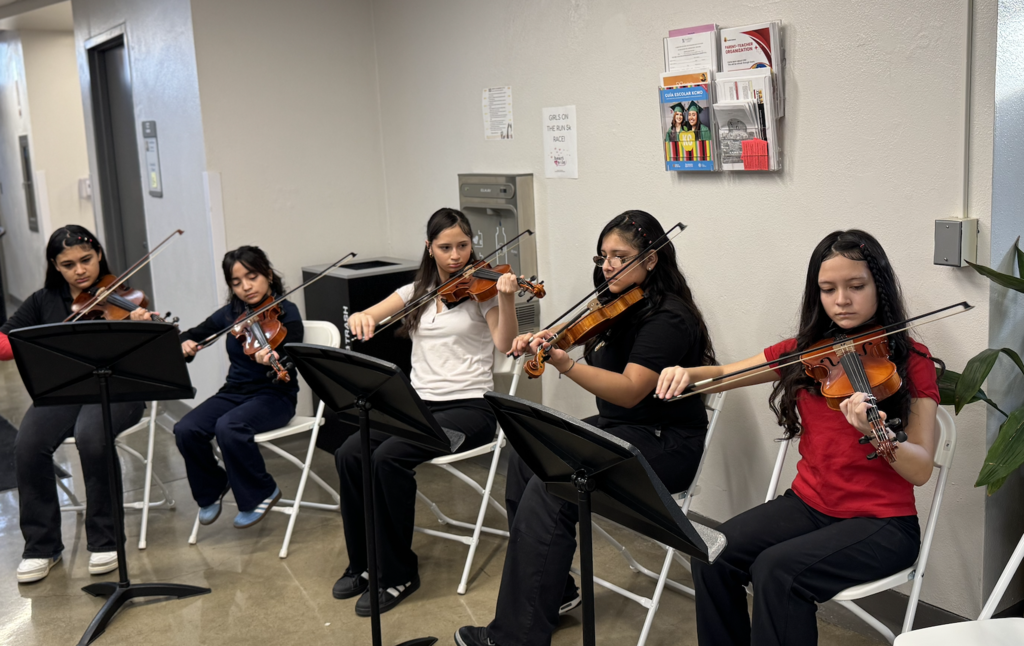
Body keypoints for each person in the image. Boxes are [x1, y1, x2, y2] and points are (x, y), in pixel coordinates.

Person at [654, 230, 942, 646]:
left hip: (882, 524)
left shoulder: (912, 362)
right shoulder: (808, 353)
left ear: (879, 286)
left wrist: (877, 435)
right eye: (828, 289)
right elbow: (725, 374)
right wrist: (686, 373)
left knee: (778, 570)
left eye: (856, 286)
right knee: (711, 550)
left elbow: (919, 469)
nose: (841, 299)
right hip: (809, 506)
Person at [456, 210, 717, 646]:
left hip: (663, 443)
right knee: (527, 453)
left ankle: (516, 637)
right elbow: (573, 331)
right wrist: (540, 337)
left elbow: (631, 391)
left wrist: (566, 364)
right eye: (604, 256)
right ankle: (555, 593)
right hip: (622, 431)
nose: (608, 265)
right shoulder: (618, 303)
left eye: (620, 256)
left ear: (651, 260)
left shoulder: (668, 317)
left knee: (553, 485)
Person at [334, 207, 519, 617]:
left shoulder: (482, 291)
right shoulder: (416, 290)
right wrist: (363, 319)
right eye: (446, 247)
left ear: (473, 245)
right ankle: (363, 564)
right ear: (429, 248)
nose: (456, 256)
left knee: (387, 458)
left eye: (463, 246)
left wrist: (506, 298)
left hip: (471, 410)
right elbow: (371, 314)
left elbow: (506, 344)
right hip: (418, 405)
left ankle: (398, 573)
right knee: (349, 453)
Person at [0, 225, 156, 583]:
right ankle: (42, 547)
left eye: (86, 260)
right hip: (66, 389)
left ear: (99, 254)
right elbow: (7, 343)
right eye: (68, 264)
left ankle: (106, 540)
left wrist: (141, 326)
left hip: (120, 389)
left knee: (91, 436)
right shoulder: (43, 301)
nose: (80, 270)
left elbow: (148, 353)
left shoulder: (123, 297)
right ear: (56, 266)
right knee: (28, 444)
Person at [173, 246, 303, 530]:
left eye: (252, 276)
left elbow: (295, 357)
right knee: (186, 429)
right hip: (234, 392)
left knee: (229, 427)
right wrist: (186, 344)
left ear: (267, 274)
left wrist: (274, 357)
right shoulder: (232, 313)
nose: (246, 287)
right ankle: (213, 487)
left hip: (274, 396)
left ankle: (261, 491)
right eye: (236, 282)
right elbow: (192, 334)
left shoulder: (286, 312)